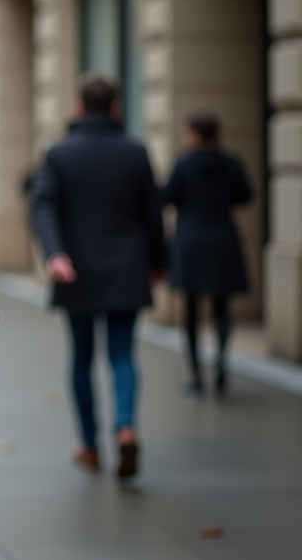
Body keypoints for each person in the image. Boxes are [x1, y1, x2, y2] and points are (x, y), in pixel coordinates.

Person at [29, 74, 166, 479]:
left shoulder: (58, 153)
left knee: (82, 356)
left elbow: (44, 206)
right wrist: (158, 262)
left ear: (78, 107)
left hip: (78, 270)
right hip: (127, 267)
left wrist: (55, 253)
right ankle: (125, 425)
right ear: (116, 108)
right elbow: (152, 214)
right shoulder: (136, 152)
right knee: (123, 353)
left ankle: (89, 445)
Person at [162, 112, 252, 395]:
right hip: (223, 238)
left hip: (191, 240)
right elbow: (246, 196)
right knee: (222, 308)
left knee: (191, 309)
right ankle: (222, 362)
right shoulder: (233, 162)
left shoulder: (184, 164)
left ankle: (196, 375)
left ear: (196, 135)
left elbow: (166, 197)